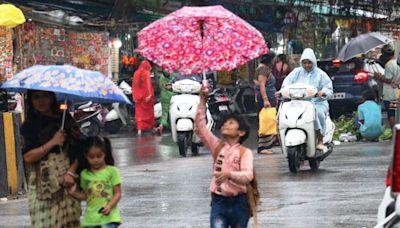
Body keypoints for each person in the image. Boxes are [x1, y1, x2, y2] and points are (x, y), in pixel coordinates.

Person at [20, 90, 83, 227]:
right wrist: (53, 142)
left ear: (52, 98)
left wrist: (71, 173)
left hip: (67, 181)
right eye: (36, 97)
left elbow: (80, 148)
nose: (41, 101)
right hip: (41, 188)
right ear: (30, 100)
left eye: (45, 96)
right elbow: (28, 157)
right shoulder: (29, 126)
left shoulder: (64, 119)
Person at [194, 85, 253, 228]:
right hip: (219, 201)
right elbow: (200, 128)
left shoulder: (245, 153)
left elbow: (248, 175)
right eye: (225, 123)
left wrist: (229, 174)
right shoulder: (217, 146)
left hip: (240, 202)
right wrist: (202, 100)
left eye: (231, 123)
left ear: (241, 132)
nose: (226, 124)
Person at [278, 48, 333, 151]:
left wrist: (323, 92)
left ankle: (320, 140)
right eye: (304, 62)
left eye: (309, 62)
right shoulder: (296, 72)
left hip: (317, 103)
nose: (307, 65)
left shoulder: (321, 74)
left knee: (318, 114)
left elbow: (328, 88)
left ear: (314, 62)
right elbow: (286, 84)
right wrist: (281, 92)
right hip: (297, 103)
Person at [68, 136, 122, 228]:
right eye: (92, 157)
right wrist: (74, 193)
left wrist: (109, 206)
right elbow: (87, 196)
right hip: (91, 219)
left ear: (104, 154)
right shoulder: (84, 174)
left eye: (99, 156)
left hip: (109, 217)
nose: (96, 160)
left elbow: (118, 193)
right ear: (86, 156)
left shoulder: (112, 171)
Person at [255, 52, 277, 154]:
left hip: (270, 97)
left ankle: (267, 145)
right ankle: (262, 147)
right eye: (273, 59)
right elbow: (262, 85)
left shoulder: (264, 68)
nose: (275, 61)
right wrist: (265, 99)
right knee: (266, 121)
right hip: (266, 98)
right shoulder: (263, 69)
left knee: (269, 120)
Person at [374, 44, 400, 129]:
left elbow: (389, 79)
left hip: (390, 93)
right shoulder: (397, 63)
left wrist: (379, 77)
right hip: (397, 92)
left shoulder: (389, 65)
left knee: (391, 113)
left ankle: (394, 134)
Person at [132, 60, 155, 135]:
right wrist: (149, 95)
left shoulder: (136, 73)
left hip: (138, 97)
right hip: (146, 96)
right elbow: (148, 84)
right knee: (148, 113)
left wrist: (134, 95)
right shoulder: (146, 73)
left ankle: (139, 129)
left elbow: (134, 85)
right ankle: (150, 127)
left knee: (139, 113)